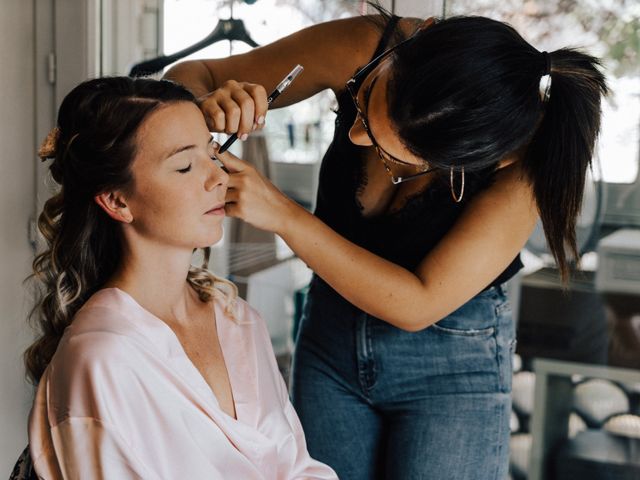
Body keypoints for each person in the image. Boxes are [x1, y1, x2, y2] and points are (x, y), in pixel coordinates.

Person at [164, 10, 608, 479]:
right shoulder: (366, 47)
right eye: (364, 102)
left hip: (451, 368)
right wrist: (208, 103)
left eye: (384, 149)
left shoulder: (521, 163)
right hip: (328, 343)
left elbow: (418, 303)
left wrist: (282, 215)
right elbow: (192, 75)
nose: (354, 134)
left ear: (467, 162)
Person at [25, 76, 338, 479]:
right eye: (185, 165)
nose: (219, 177)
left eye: (212, 154)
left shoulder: (237, 318)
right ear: (117, 200)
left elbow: (298, 467)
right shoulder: (101, 359)